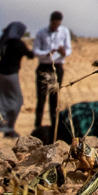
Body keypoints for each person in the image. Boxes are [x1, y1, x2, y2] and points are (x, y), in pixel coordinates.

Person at [0, 21, 33, 138]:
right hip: (10, 75)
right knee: (16, 101)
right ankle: (8, 130)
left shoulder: (4, 40)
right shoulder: (17, 43)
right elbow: (30, 55)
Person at [32, 11, 72, 140]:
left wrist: (63, 52)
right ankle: (37, 127)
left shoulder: (64, 32)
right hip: (44, 66)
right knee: (41, 98)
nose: (55, 25)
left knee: (54, 100)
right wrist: (48, 53)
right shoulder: (41, 33)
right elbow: (36, 51)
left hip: (57, 67)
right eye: (53, 23)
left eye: (57, 23)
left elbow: (69, 49)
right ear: (50, 21)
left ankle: (55, 130)